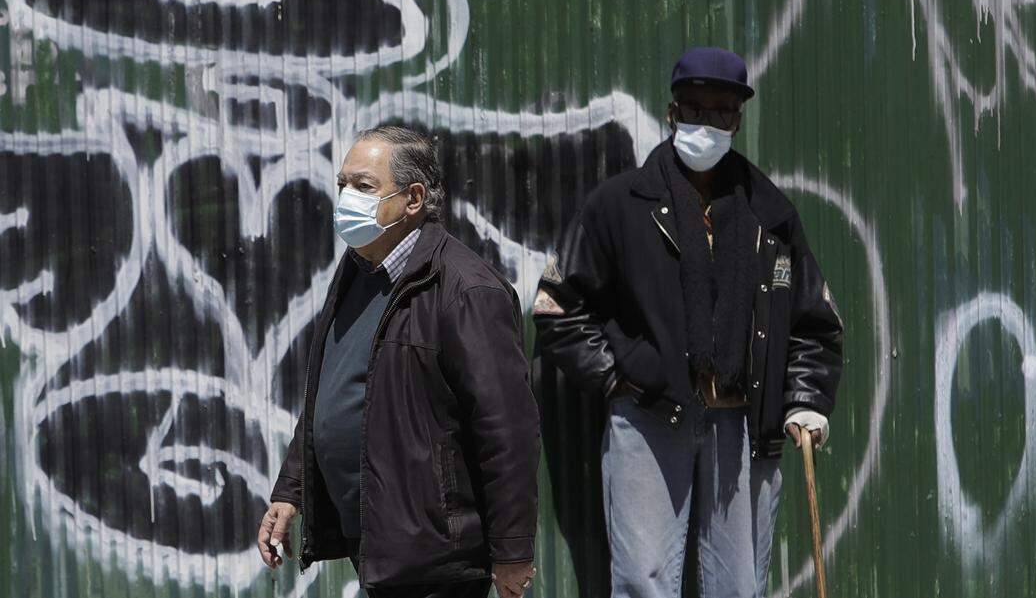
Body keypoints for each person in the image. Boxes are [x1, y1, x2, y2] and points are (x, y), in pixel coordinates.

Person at [532, 47, 843, 598]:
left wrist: (807, 399)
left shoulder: (769, 214)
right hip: (649, 418)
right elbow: (558, 308)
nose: (708, 123)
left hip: (742, 425)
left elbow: (814, 321)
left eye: (722, 111)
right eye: (694, 109)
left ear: (738, 119)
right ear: (672, 113)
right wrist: (616, 376)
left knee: (738, 587)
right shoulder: (620, 205)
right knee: (642, 581)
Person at [258, 126, 540, 598]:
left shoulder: (466, 290)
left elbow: (507, 430)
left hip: (434, 548)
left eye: (364, 186)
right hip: (373, 530)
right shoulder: (357, 269)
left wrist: (513, 552)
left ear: (413, 198)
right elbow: (330, 388)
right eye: (343, 183)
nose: (346, 197)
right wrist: (291, 490)